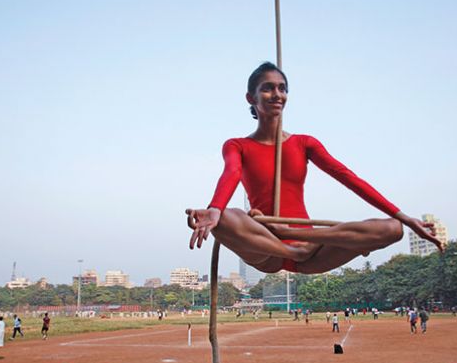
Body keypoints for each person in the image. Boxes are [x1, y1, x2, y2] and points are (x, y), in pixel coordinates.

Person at [185, 62, 443, 275]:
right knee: (224, 217)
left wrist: (404, 217)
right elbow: (231, 173)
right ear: (251, 98)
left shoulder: (303, 143)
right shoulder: (237, 145)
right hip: (266, 248)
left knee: (393, 228)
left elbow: (348, 178)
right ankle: (289, 248)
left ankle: (293, 240)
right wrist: (215, 209)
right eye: (268, 88)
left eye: (282, 88)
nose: (277, 94)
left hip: (312, 251)